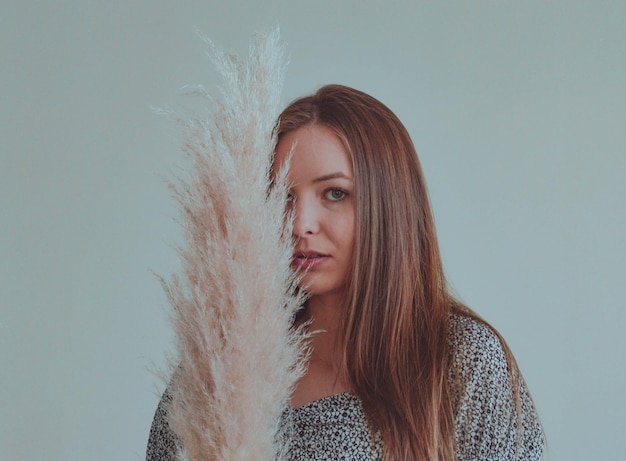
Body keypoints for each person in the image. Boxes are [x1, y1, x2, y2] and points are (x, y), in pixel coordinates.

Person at [147, 84, 545, 460]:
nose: (299, 223)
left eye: (334, 193)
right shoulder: (225, 362)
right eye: (282, 196)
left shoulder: (461, 363)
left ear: (388, 208)